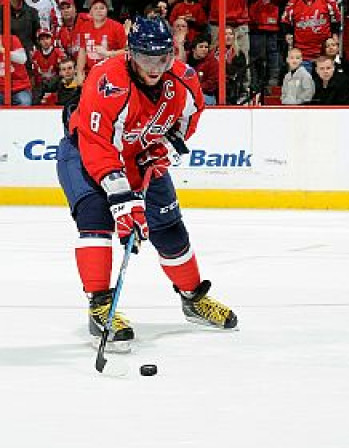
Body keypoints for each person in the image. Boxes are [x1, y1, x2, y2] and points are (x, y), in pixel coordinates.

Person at [55, 16, 238, 352]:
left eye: (162, 58)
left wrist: (164, 151)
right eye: (145, 59)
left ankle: (193, 298)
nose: (154, 67)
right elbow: (98, 145)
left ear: (172, 53)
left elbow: (188, 120)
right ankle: (100, 306)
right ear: (130, 54)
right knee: (96, 221)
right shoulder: (107, 79)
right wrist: (125, 204)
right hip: (85, 155)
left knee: (169, 229)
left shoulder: (184, 81)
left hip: (141, 156)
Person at [74, 0, 127, 84]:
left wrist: (109, 53)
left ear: (107, 10)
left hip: (111, 73)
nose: (99, 11)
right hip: (90, 73)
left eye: (102, 8)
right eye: (95, 8)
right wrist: (79, 72)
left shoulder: (117, 27)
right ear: (90, 11)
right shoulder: (84, 27)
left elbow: (127, 51)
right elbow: (82, 50)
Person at [31, 27, 67, 105]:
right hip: (40, 85)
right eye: (42, 39)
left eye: (47, 38)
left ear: (51, 39)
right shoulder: (35, 54)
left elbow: (65, 71)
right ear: (39, 41)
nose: (45, 41)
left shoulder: (58, 52)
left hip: (56, 84)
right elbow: (34, 74)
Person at [0, 33, 34, 106]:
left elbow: (22, 59)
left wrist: (3, 50)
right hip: (1, 90)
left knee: (24, 102)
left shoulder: (12, 39)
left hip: (19, 88)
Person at [186, 35, 219, 105]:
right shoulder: (185, 59)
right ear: (193, 49)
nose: (204, 49)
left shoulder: (213, 62)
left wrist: (194, 88)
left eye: (206, 47)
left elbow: (212, 83)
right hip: (187, 93)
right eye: (201, 47)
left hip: (206, 95)